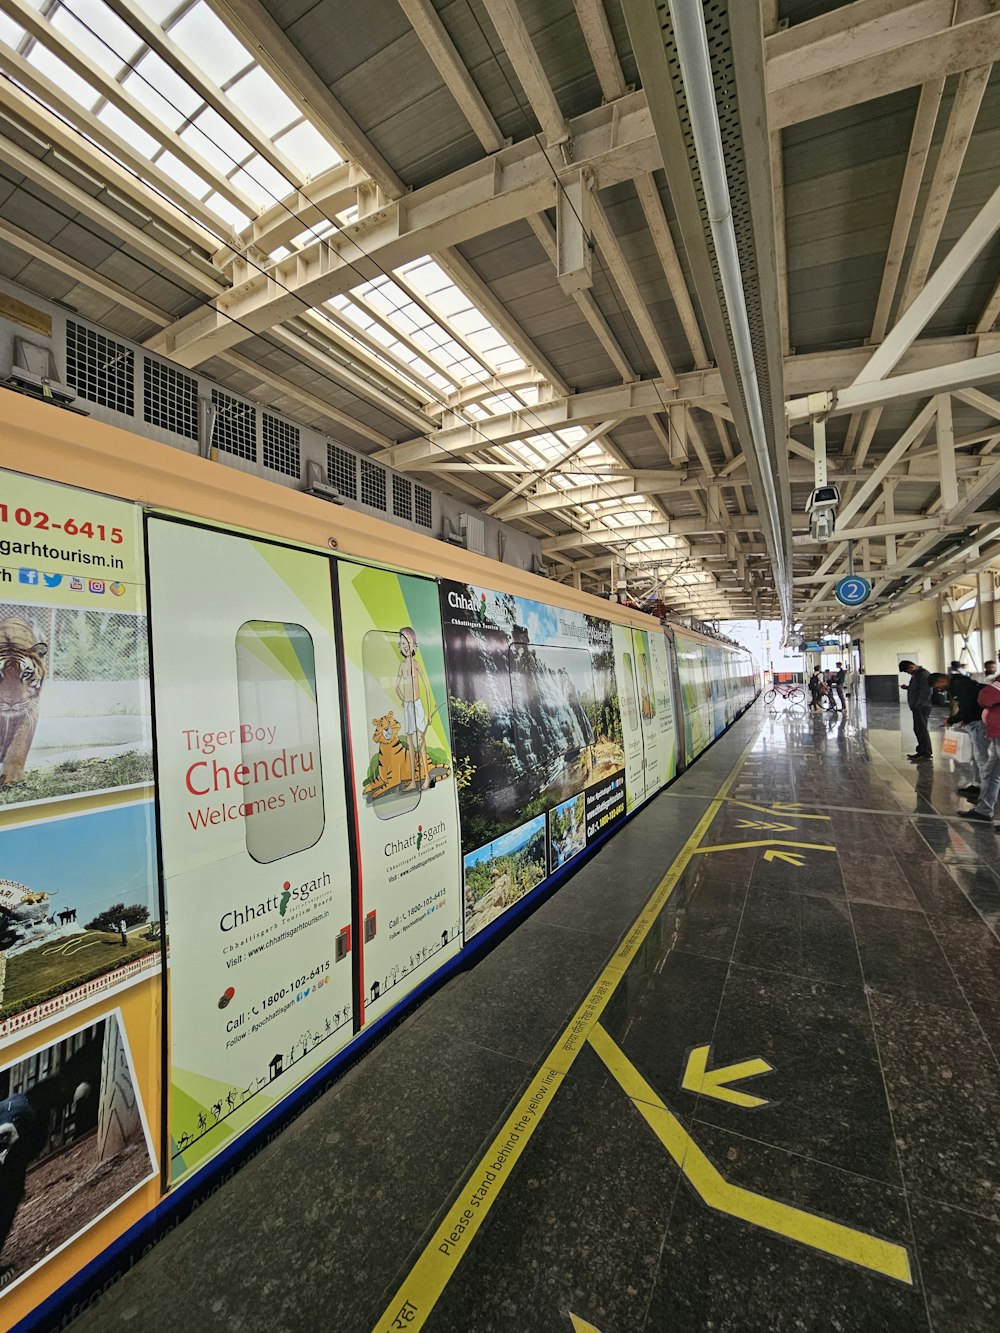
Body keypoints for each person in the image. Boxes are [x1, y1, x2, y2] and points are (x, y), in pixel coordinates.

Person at [960, 675, 1000, 826]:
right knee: (991, 773)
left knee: (992, 772)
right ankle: (984, 810)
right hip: (997, 733)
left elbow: (985, 697)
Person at [943, 664, 988, 799]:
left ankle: (985, 788)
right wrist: (963, 717)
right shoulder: (961, 683)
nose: (939, 690)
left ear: (942, 681)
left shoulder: (960, 685)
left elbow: (968, 706)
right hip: (975, 720)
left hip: (978, 722)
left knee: (981, 757)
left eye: (937, 687)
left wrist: (953, 719)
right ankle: (979, 784)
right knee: (978, 756)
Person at [395, 626, 431, 791]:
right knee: (410, 742)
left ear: (414, 645)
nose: (405, 645)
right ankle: (413, 780)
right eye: (402, 642)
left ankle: (427, 777)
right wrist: (403, 700)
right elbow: (396, 687)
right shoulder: (402, 666)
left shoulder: (416, 664)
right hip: (408, 706)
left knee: (421, 742)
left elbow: (426, 687)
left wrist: (429, 712)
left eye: (408, 642)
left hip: (416, 704)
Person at [898, 660, 933, 761]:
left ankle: (926, 753)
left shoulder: (923, 674)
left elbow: (926, 692)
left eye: (907, 671)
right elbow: (917, 689)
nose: (908, 673)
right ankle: (921, 750)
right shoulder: (917, 675)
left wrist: (919, 705)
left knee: (922, 729)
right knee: (918, 729)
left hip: (922, 707)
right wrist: (908, 688)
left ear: (911, 666)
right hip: (917, 706)